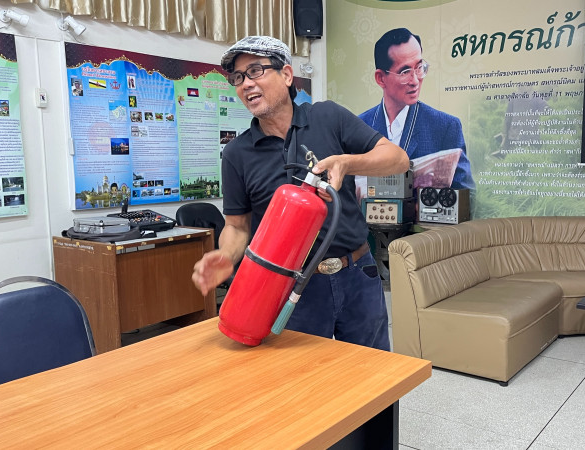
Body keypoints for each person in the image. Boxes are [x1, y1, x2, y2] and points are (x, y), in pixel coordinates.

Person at [191, 36, 410, 351]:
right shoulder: (237, 153)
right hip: (289, 287)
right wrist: (226, 255)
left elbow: (398, 160)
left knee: (373, 370)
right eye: (238, 78)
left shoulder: (328, 117)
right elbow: (237, 226)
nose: (246, 84)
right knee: (302, 376)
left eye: (255, 71)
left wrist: (347, 162)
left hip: (356, 275)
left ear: (286, 75)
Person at [359, 28, 475, 190]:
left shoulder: (445, 127)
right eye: (405, 71)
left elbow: (466, 195)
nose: (415, 80)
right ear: (380, 78)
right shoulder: (359, 127)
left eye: (419, 67)